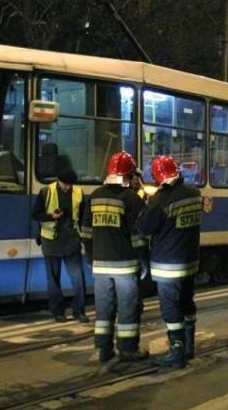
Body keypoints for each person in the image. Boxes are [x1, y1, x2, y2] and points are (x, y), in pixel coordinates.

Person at [81, 152, 149, 363]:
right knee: (128, 308)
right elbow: (138, 235)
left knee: (104, 309)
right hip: (125, 265)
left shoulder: (95, 196)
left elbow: (85, 231)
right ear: (129, 175)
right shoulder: (131, 199)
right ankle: (128, 349)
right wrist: (144, 260)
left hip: (100, 265)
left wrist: (91, 257)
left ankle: (103, 349)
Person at [136, 155, 203, 369]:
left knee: (171, 308)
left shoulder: (160, 199)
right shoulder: (193, 193)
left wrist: (146, 206)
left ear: (158, 176)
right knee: (186, 302)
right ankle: (189, 347)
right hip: (190, 261)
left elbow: (145, 227)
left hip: (168, 264)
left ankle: (176, 351)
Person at [31, 169, 89, 323]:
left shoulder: (78, 193)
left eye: (70, 184)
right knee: (53, 279)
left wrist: (82, 236)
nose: (68, 187)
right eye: (65, 184)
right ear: (58, 180)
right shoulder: (46, 191)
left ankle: (79, 311)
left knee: (77, 278)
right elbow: (35, 214)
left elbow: (83, 216)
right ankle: (58, 312)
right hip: (51, 241)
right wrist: (51, 216)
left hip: (71, 241)